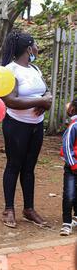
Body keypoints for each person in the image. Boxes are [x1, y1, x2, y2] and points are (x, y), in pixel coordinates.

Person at [0, 30, 52, 228]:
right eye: (35, 44)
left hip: (36, 127)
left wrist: (45, 100)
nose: (37, 48)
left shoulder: (35, 69)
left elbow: (46, 92)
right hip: (16, 126)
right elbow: (11, 100)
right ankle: (9, 209)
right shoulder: (10, 71)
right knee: (14, 165)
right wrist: (40, 101)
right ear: (29, 48)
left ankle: (28, 209)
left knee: (29, 168)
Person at [59, 99, 77, 236]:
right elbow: (66, 147)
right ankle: (66, 223)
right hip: (72, 168)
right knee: (69, 195)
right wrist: (73, 165)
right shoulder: (73, 126)